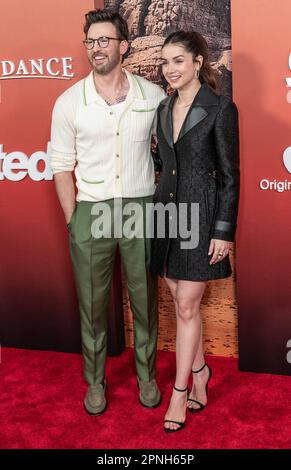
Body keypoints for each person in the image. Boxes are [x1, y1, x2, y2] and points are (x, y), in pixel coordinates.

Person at [50, 8, 165, 416]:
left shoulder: (151, 97)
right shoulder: (69, 102)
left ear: (123, 46)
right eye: (90, 42)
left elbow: (168, 155)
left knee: (145, 299)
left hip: (139, 208)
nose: (96, 48)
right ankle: (95, 382)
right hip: (91, 211)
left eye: (104, 41)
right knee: (93, 305)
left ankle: (147, 376)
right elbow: (61, 165)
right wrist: (73, 218)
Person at [150, 31, 240, 432]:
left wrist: (223, 231)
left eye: (178, 61)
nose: (170, 70)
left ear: (198, 62)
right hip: (167, 214)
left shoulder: (221, 108)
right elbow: (164, 162)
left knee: (186, 305)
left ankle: (180, 392)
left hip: (202, 216)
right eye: (165, 62)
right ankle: (201, 370)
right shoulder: (162, 107)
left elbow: (230, 176)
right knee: (177, 297)